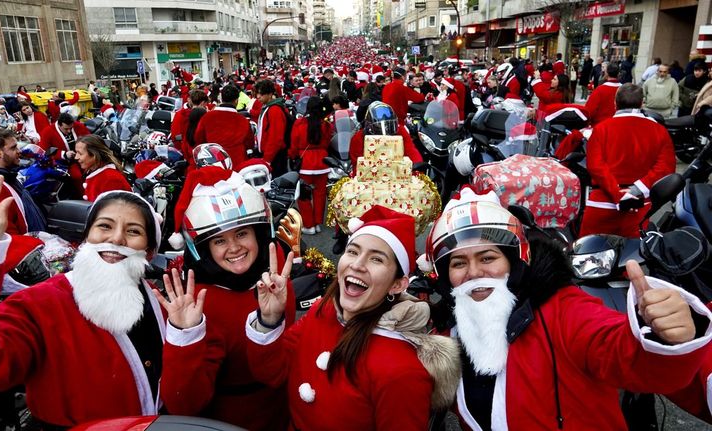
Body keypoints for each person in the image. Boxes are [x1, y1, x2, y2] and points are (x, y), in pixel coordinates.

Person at [418, 186, 712, 430]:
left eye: (487, 258)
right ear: (445, 278)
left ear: (515, 261)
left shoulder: (563, 310)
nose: (474, 272)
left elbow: (624, 353)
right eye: (458, 263)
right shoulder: (450, 334)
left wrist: (664, 333)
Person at [0, 182, 168, 428]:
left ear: (148, 250)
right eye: (104, 226)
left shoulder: (160, 301)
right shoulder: (39, 304)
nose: (116, 238)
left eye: (133, 231)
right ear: (86, 237)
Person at [245, 205, 460, 430]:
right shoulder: (322, 309)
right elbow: (272, 373)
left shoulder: (402, 370)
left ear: (397, 284)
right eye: (353, 251)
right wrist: (268, 320)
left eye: (376, 259)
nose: (357, 265)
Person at [158, 167, 296, 430]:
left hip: (279, 410)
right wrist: (184, 335)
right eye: (219, 240)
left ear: (258, 233)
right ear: (204, 250)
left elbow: (279, 371)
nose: (234, 248)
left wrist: (271, 321)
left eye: (242, 233)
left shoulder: (275, 280)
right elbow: (184, 404)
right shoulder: (193, 303)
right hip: (226, 422)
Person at [580, 84, 676, 238]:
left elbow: (595, 166)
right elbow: (666, 167)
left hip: (602, 202)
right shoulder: (659, 131)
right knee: (632, 257)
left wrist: (617, 193)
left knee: (588, 255)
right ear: (641, 103)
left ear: (615, 103)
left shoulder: (601, 129)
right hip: (638, 205)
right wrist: (636, 189)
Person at [289, 97, 332, 235]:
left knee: (304, 195)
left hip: (305, 162)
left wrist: (292, 156)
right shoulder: (325, 125)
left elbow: (294, 145)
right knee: (320, 195)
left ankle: (309, 225)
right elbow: (326, 143)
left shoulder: (299, 123)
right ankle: (318, 223)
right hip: (322, 162)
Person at [194, 84, 254, 168]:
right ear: (236, 100)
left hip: (213, 163)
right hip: (237, 164)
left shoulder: (207, 117)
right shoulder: (243, 120)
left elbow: (199, 139)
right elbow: (249, 144)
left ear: (221, 98)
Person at [39, 112, 91, 197]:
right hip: (66, 163)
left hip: (84, 157)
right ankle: (85, 196)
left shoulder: (78, 126)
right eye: (66, 129)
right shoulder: (47, 132)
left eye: (71, 128)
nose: (69, 131)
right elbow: (45, 151)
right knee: (77, 176)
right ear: (59, 125)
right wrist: (63, 154)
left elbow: (89, 139)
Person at [75, 135, 131, 201]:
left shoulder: (110, 179)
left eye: (80, 154)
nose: (76, 157)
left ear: (94, 155)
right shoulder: (97, 173)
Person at [254, 79, 288, 176]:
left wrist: (267, 159)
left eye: (261, 94)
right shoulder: (268, 108)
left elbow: (276, 137)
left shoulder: (274, 110)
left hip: (275, 156)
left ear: (269, 94)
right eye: (257, 93)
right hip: (272, 154)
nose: (258, 97)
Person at [171, 89, 209, 162]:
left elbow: (175, 134)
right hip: (202, 154)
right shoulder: (205, 115)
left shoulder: (179, 114)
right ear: (203, 103)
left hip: (185, 152)